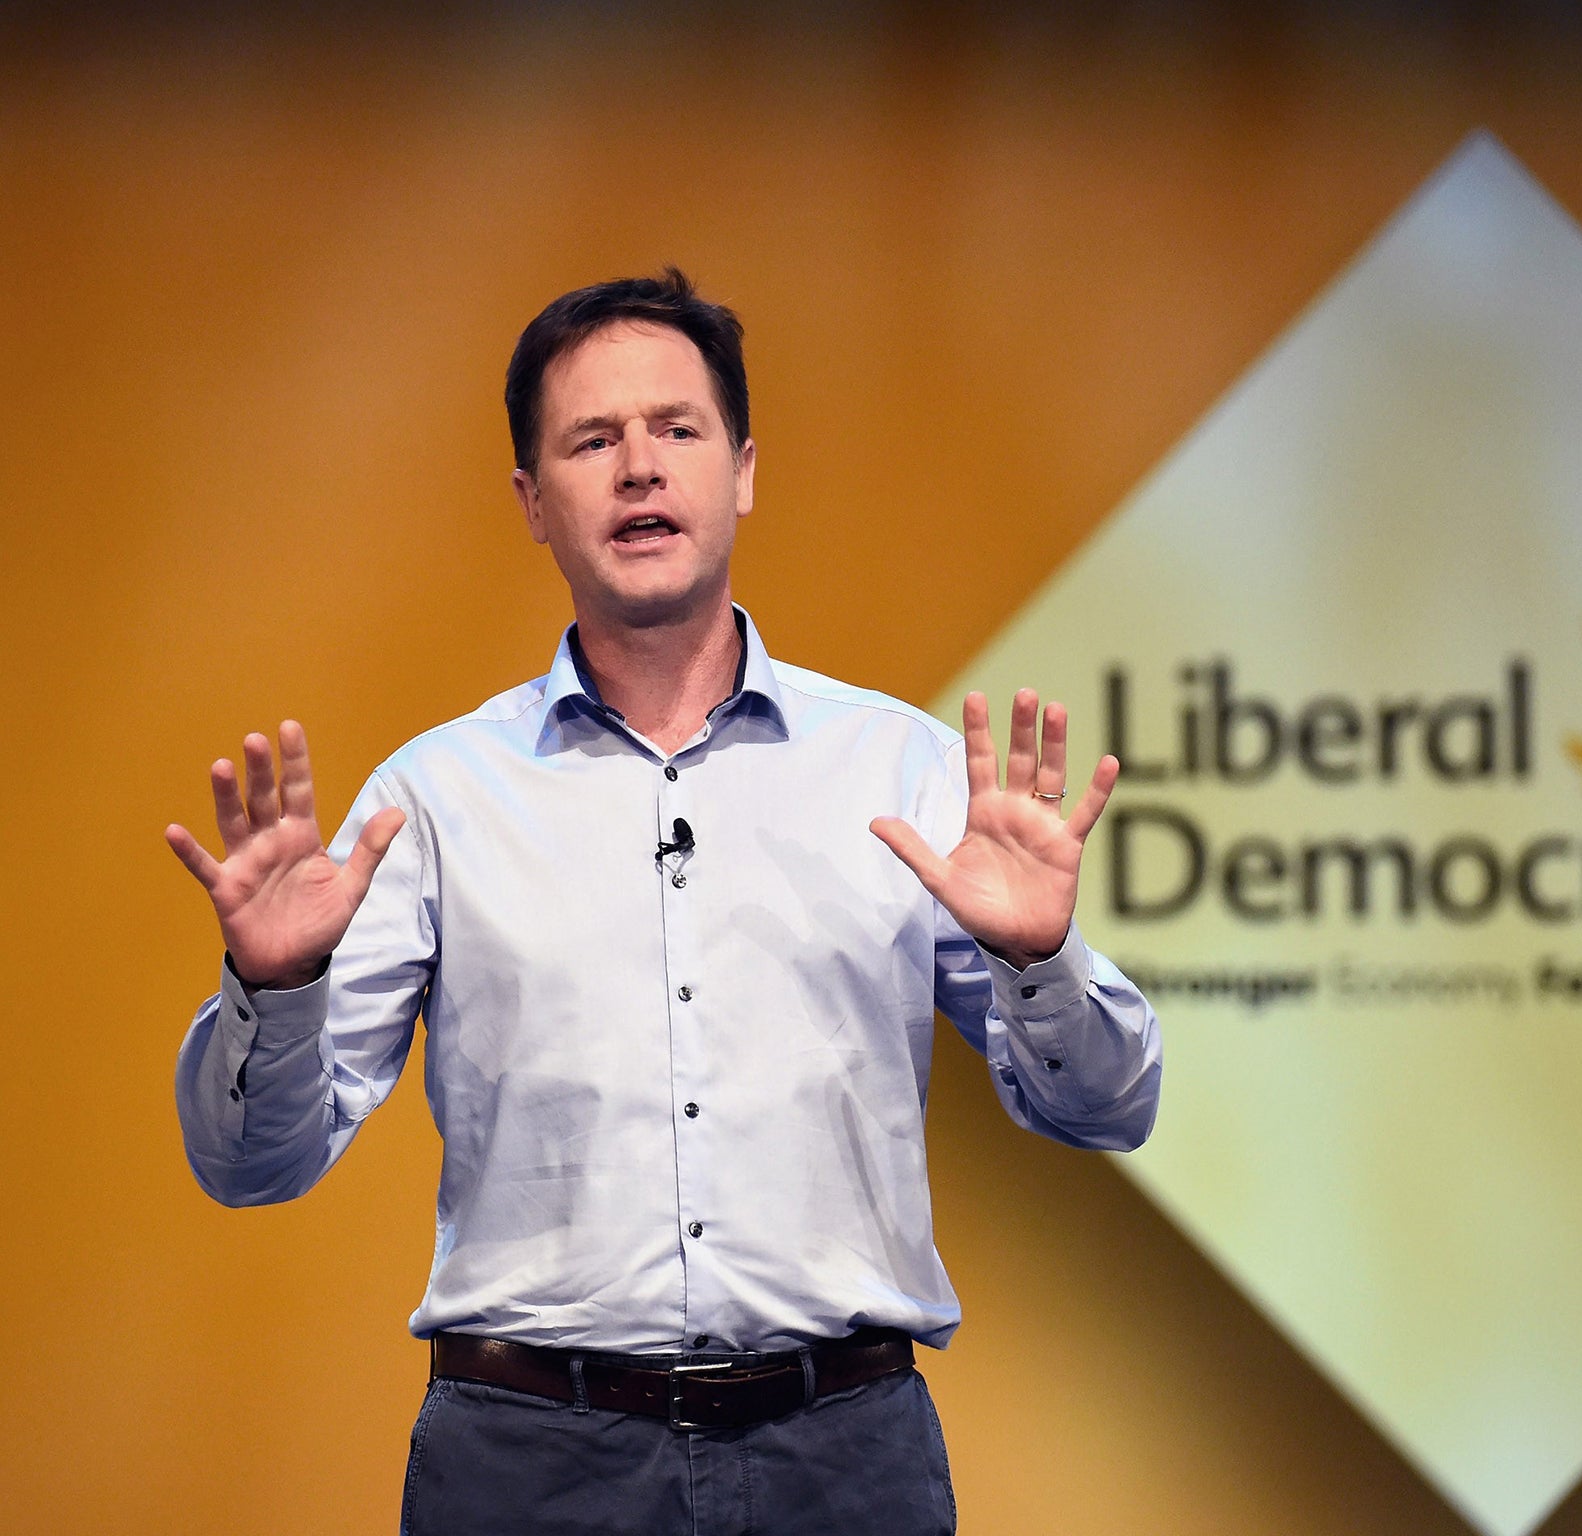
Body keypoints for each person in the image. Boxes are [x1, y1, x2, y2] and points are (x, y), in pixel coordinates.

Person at [167, 269, 1163, 1536]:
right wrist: (274, 987)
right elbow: (251, 1166)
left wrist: (1041, 958)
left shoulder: (898, 769)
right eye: (593, 440)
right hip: (526, 1466)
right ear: (533, 500)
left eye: (676, 430)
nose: (640, 468)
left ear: (741, 470)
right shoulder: (434, 798)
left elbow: (1111, 1109)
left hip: (840, 1458)